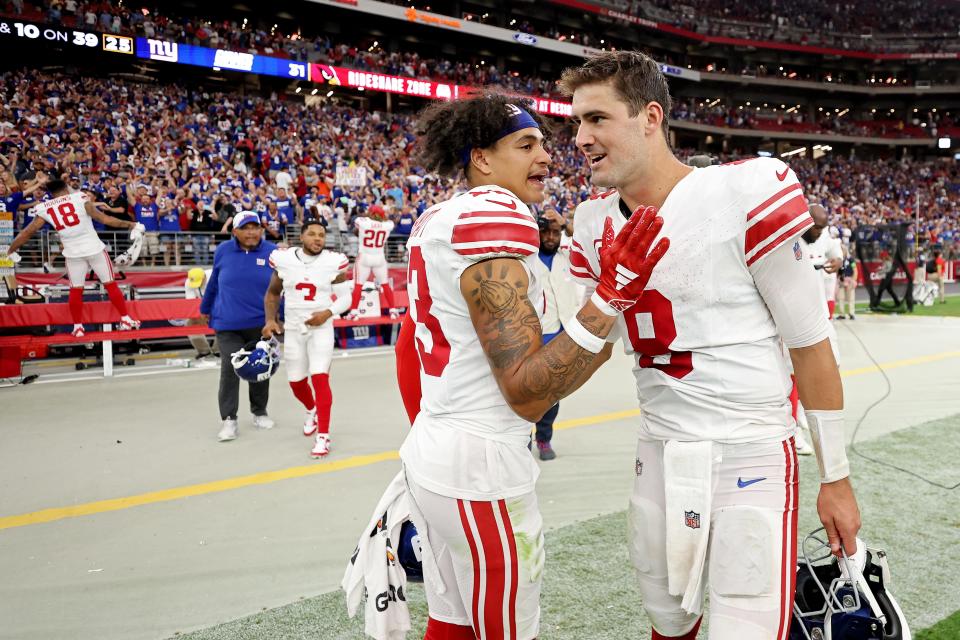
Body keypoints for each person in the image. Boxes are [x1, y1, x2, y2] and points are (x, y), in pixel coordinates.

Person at [560, 51, 860, 640]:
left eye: (596, 119)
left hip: (748, 454)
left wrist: (837, 477)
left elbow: (810, 343)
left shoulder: (743, 190)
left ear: (650, 117)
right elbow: (582, 350)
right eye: (576, 122)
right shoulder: (592, 223)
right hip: (658, 453)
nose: (580, 137)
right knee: (668, 625)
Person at [391, 94, 668, 640]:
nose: (546, 155)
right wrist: (610, 300)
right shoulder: (495, 215)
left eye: (544, 141)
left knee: (453, 622)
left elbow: (407, 345)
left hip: (437, 451)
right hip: (481, 465)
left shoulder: (438, 218)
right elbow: (529, 393)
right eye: (526, 144)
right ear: (482, 159)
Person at [4, 179, 143, 337]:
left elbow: (27, 232)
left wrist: (10, 250)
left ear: (51, 193)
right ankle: (125, 319)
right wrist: (132, 225)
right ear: (65, 188)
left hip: (72, 253)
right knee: (110, 284)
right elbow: (105, 219)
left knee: (76, 290)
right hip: (94, 248)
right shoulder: (79, 198)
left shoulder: (44, 207)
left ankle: (77, 327)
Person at [262, 221, 352, 458]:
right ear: (301, 237)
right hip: (293, 329)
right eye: (312, 234)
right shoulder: (284, 259)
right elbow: (272, 293)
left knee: (320, 377)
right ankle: (311, 409)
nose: (317, 239)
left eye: (321, 235)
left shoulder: (334, 262)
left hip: (321, 329)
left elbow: (345, 299)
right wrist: (271, 320)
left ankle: (323, 435)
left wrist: (327, 313)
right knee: (296, 383)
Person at [200, 211, 279, 442]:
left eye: (256, 227)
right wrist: (205, 310)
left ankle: (259, 412)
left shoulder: (273, 251)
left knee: (261, 367)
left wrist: (277, 317)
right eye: (246, 228)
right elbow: (214, 282)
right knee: (231, 368)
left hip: (261, 323)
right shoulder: (223, 250)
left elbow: (280, 287)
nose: (251, 232)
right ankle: (229, 419)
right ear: (235, 231)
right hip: (228, 322)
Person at [528, 209, 584, 460]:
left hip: (564, 334)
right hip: (537, 334)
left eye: (555, 232)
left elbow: (582, 238)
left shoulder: (568, 255)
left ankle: (543, 439)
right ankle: (522, 439)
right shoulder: (527, 258)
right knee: (525, 392)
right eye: (545, 232)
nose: (551, 237)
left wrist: (564, 223)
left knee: (552, 394)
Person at [347, 204, 399, 319]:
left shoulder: (363, 222)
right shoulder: (387, 225)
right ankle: (393, 311)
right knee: (385, 285)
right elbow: (390, 222)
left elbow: (356, 222)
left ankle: (354, 312)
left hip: (364, 256)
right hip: (379, 257)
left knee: (358, 285)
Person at [803, 204, 843, 318]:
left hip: (819, 301)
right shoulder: (793, 237)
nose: (819, 232)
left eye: (822, 228)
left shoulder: (822, 235)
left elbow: (834, 247)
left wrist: (839, 260)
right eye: (817, 227)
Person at [184, 267, 218, 361]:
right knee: (190, 323)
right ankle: (204, 351)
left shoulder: (216, 276)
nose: (196, 286)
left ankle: (218, 350)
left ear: (204, 277)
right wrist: (201, 314)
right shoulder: (189, 282)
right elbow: (191, 302)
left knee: (223, 322)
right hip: (202, 308)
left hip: (219, 305)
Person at [835, 245, 858, 320]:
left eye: (843, 250)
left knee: (851, 298)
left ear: (845, 251)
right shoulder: (838, 260)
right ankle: (842, 314)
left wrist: (853, 281)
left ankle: (851, 313)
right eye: (840, 250)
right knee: (840, 298)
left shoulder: (851, 259)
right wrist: (838, 280)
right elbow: (837, 271)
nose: (841, 252)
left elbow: (855, 270)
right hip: (841, 281)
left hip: (850, 280)